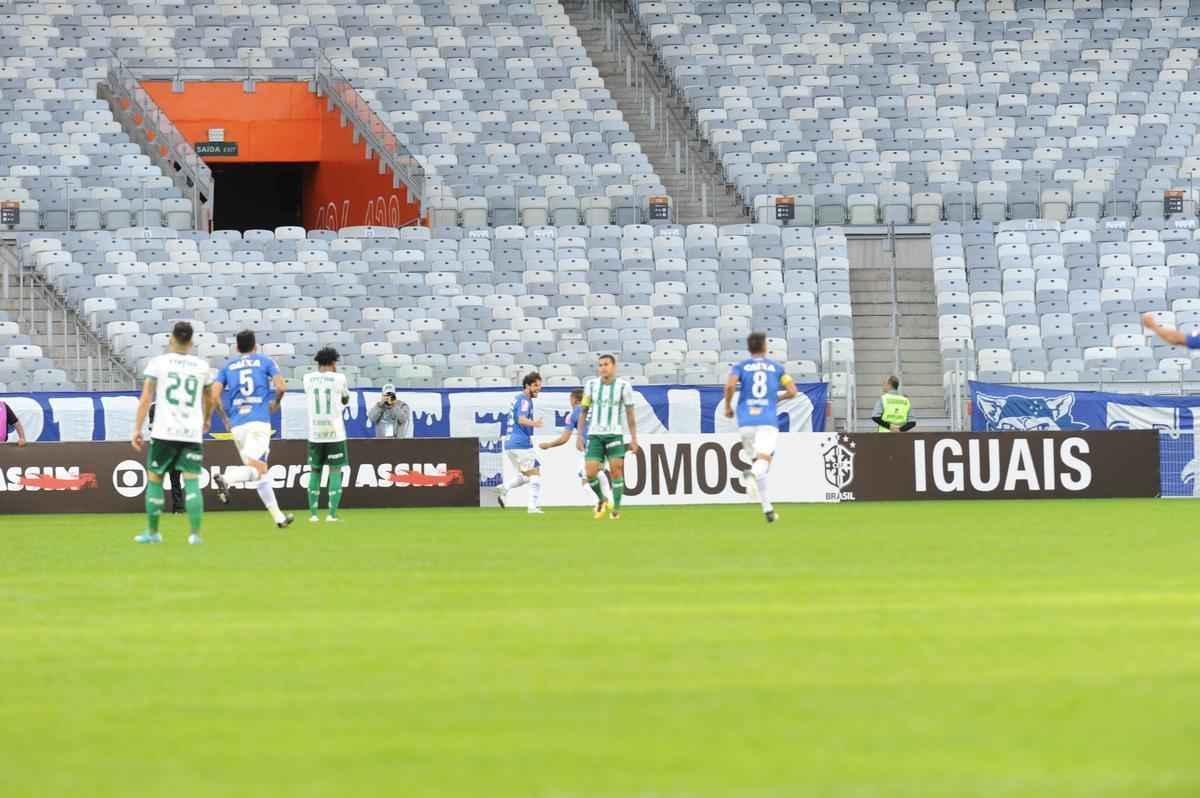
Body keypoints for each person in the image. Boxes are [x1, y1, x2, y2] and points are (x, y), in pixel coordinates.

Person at [130, 321, 213, 545]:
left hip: (164, 431)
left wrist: (137, 428)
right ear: (191, 341)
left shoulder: (159, 363)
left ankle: (153, 532)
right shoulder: (201, 366)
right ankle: (195, 535)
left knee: (155, 479)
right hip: (190, 432)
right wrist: (206, 419)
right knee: (192, 481)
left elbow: (146, 398)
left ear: (171, 338)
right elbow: (210, 397)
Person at [209, 329, 294, 529]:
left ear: (237, 347)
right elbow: (281, 387)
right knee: (258, 469)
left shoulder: (228, 366)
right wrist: (275, 403)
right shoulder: (265, 361)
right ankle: (226, 479)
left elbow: (213, 396)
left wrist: (224, 417)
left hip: (238, 425)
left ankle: (279, 518)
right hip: (259, 422)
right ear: (255, 346)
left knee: (260, 473)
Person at [724, 332, 799, 524]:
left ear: (749, 348)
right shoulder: (777, 368)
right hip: (766, 420)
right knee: (763, 462)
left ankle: (768, 510)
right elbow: (793, 391)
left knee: (760, 463)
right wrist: (777, 398)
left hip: (745, 422)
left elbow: (730, 385)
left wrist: (727, 406)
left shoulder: (740, 366)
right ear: (765, 347)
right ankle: (751, 474)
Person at [578, 354, 639, 520]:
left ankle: (616, 508)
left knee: (616, 470)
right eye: (600, 365)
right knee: (590, 472)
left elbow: (630, 414)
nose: (603, 368)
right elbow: (583, 411)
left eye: (606, 364)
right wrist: (579, 435)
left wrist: (634, 438)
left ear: (614, 366)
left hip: (614, 435)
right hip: (595, 435)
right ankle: (602, 499)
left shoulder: (624, 386)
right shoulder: (590, 385)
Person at [540, 388, 612, 513]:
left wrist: (549, 445)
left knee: (585, 479)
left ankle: (598, 503)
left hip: (589, 446)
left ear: (575, 400)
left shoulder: (575, 413)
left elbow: (564, 439)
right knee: (598, 472)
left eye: (570, 399)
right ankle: (609, 501)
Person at [303, 346, 352, 522]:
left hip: (315, 433)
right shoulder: (340, 378)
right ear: (333, 363)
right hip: (335, 433)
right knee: (335, 471)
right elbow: (346, 398)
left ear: (318, 363)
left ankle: (313, 515)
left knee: (315, 471)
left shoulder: (307, 378)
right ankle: (331, 515)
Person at [497, 372, 544, 513]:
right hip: (521, 443)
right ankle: (532, 507)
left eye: (540, 386)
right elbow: (521, 419)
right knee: (535, 475)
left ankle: (504, 488)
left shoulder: (517, 398)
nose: (538, 388)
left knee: (525, 476)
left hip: (510, 443)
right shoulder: (525, 400)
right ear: (527, 386)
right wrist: (535, 423)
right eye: (535, 385)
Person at [147, 401, 184, 513]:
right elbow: (151, 426)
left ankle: (178, 509)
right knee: (156, 479)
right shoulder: (154, 406)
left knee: (175, 479)